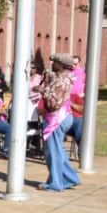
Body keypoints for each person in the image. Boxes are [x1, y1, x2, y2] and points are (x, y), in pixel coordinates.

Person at [37, 53, 81, 192]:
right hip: (63, 117)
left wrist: (42, 90)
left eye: (55, 62)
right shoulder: (62, 77)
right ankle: (69, 178)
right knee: (58, 151)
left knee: (53, 152)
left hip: (57, 118)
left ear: (61, 65)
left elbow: (54, 103)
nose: (52, 64)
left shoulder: (62, 81)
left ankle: (57, 183)